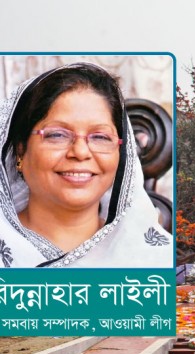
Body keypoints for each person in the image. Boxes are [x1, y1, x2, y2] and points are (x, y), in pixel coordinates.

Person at [0, 62, 172, 267]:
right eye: (57, 135)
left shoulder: (157, 262)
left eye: (100, 137)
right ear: (20, 149)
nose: (80, 152)